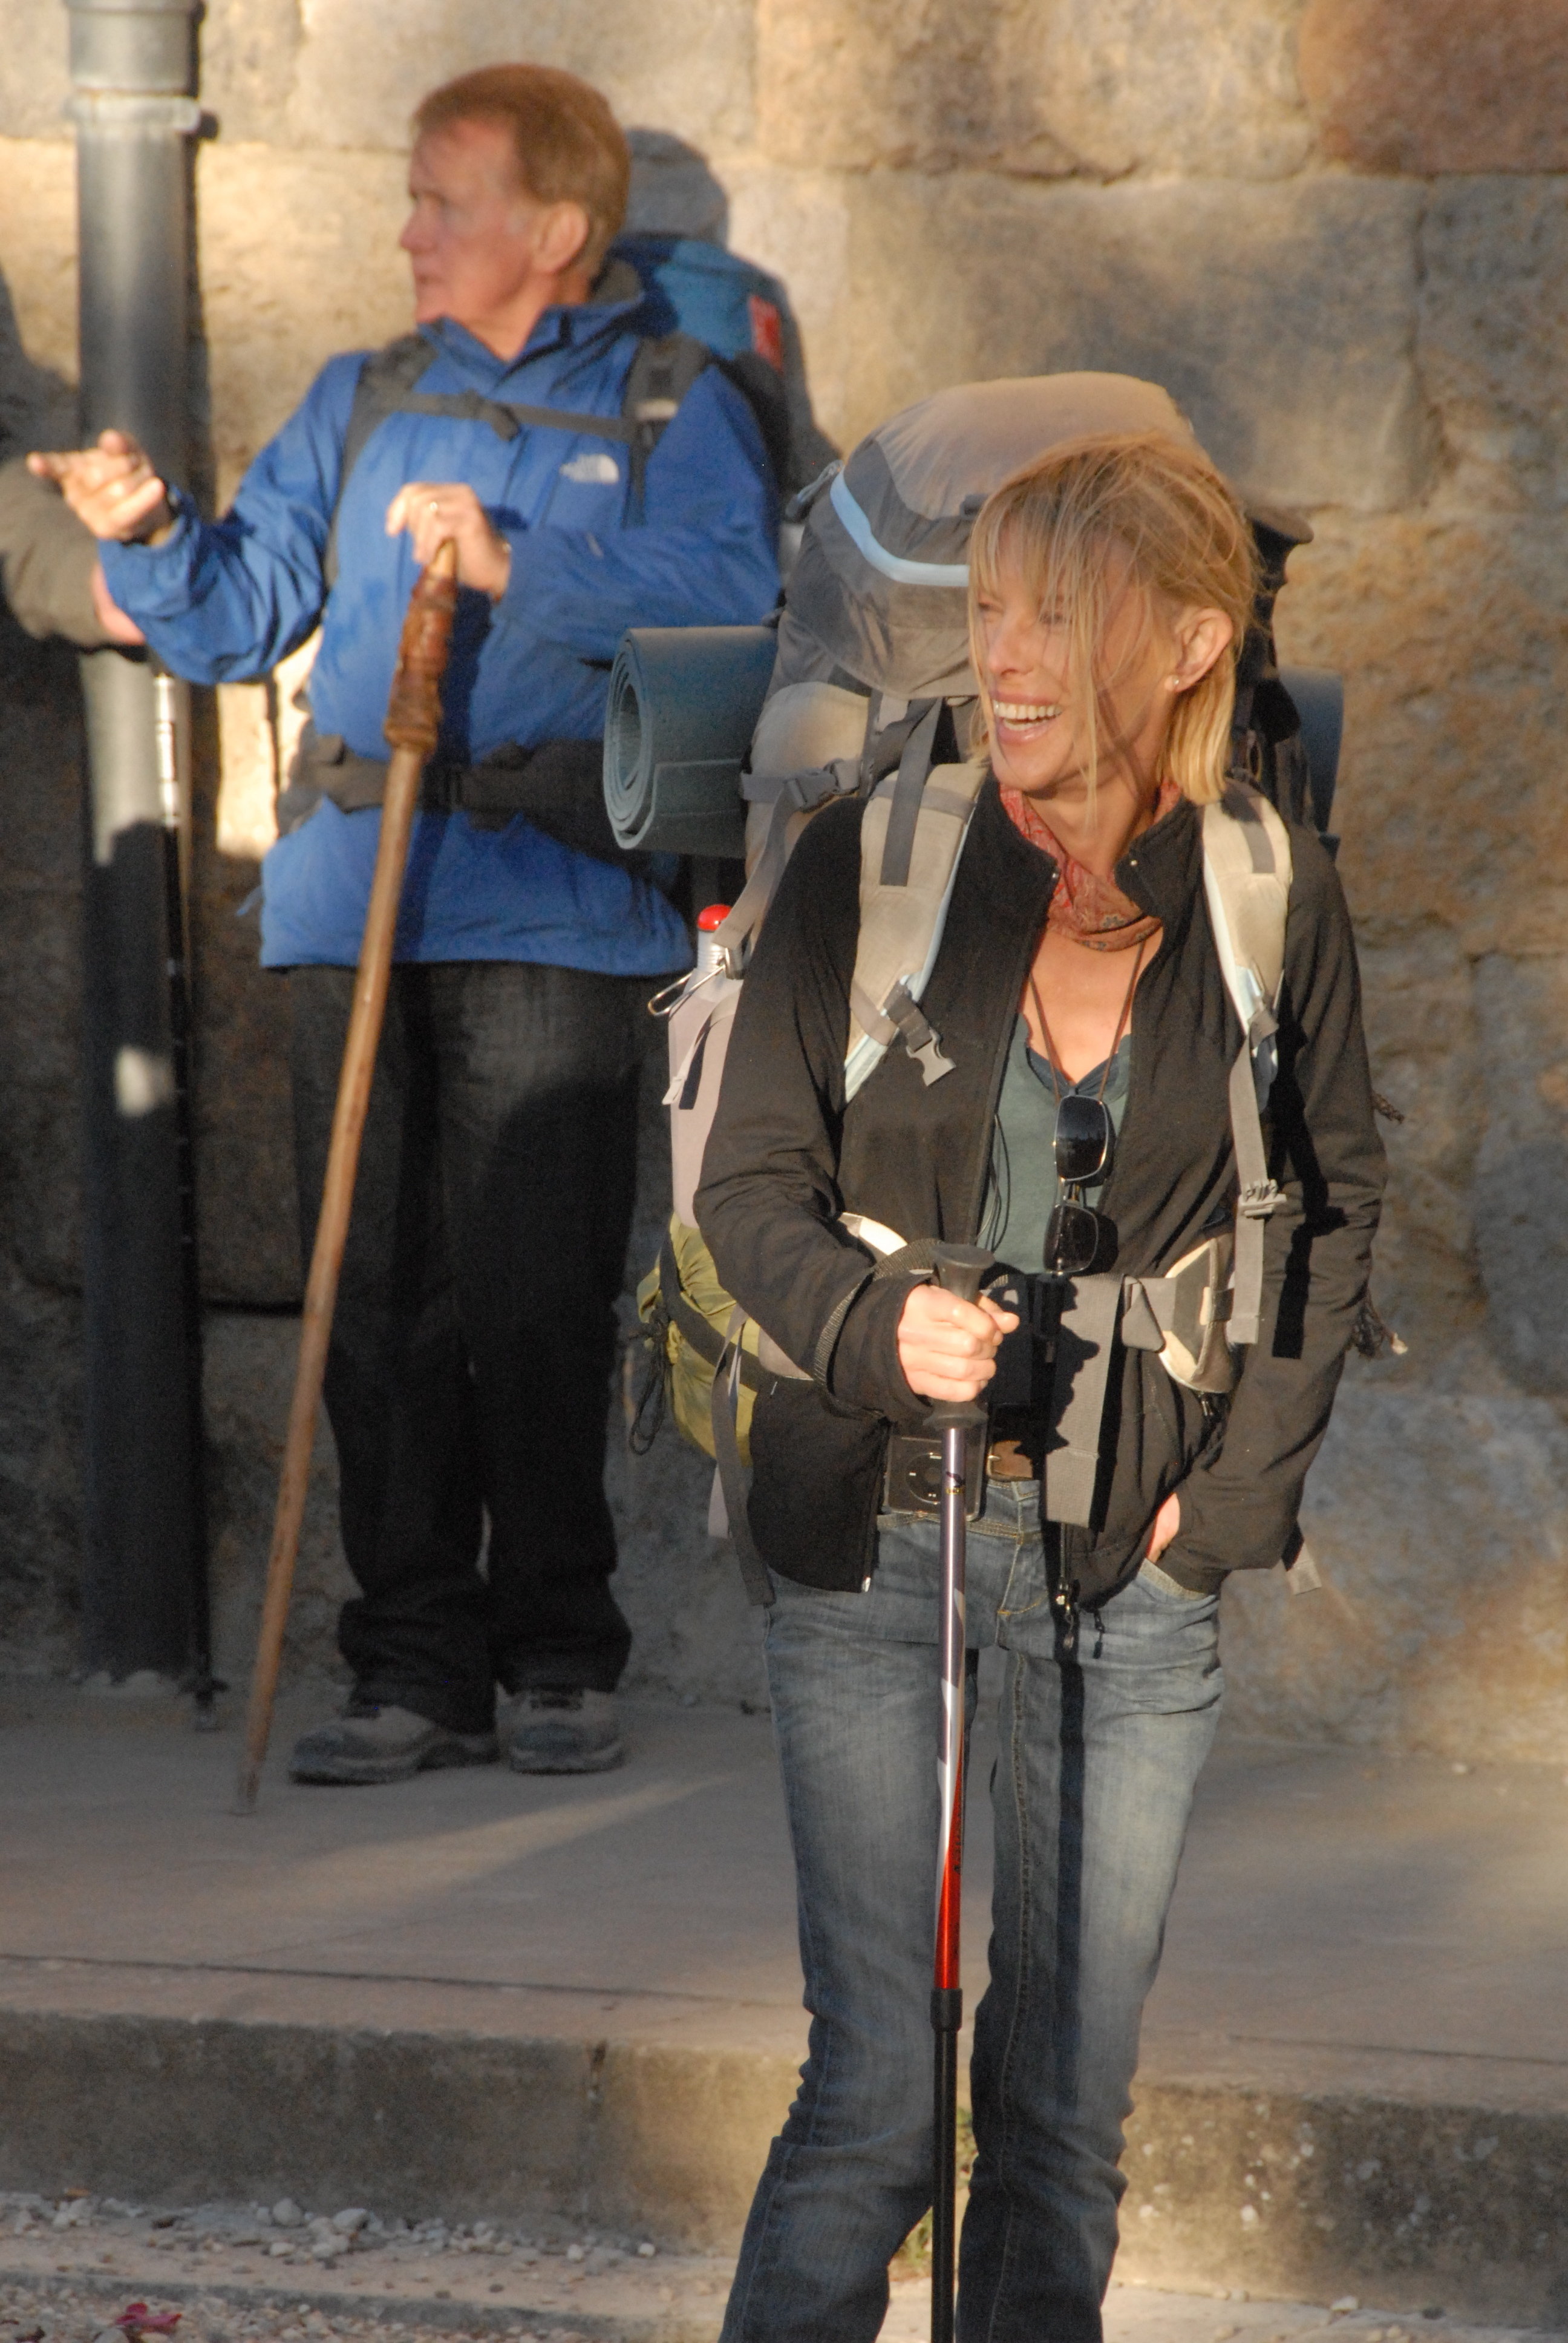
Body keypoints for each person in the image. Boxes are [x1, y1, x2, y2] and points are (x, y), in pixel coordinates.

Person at [696, 430, 1384, 2340]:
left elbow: (1336, 1209)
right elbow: (746, 1188)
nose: (1002, 658)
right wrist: (861, 1325)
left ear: (1183, 644)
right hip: (871, 1545)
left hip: (1132, 1572)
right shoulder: (873, 861)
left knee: (1063, 2116)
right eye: (985, 611)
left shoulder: (1270, 893)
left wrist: (1228, 1510)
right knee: (877, 2101)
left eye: (1053, 616)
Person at [32, 63, 780, 1783]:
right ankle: (410, 1662)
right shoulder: (359, 399)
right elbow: (233, 616)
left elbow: (743, 594)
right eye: (416, 197)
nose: (410, 231)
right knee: (374, 1301)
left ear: (558, 231)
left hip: (566, 912)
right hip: (354, 906)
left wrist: (528, 566)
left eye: (446, 201)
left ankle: (558, 1653)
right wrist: (147, 534)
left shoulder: (674, 405)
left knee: (529, 1298)